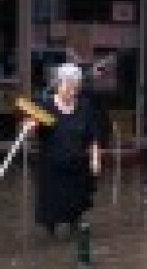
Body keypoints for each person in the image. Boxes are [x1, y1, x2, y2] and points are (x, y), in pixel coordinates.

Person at [28, 63, 102, 238]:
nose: (72, 90)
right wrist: (30, 126)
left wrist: (95, 159)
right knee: (51, 212)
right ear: (59, 84)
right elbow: (32, 131)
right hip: (51, 167)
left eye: (75, 86)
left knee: (76, 208)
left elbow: (93, 136)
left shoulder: (85, 107)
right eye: (68, 85)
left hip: (77, 166)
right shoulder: (45, 106)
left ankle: (74, 231)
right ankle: (50, 237)